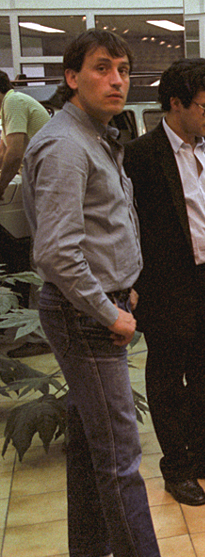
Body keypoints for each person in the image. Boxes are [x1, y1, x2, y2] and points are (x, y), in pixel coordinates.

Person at [21, 29, 161, 557]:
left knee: (90, 446)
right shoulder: (65, 144)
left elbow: (102, 227)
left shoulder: (96, 134)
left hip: (101, 306)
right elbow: (57, 253)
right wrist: (110, 310)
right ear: (71, 77)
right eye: (102, 68)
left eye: (123, 69)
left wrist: (125, 288)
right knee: (121, 459)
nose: (116, 80)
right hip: (88, 317)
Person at [123, 58, 205, 507]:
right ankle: (176, 467)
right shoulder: (140, 155)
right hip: (168, 285)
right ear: (176, 104)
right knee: (169, 380)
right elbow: (129, 227)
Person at [0, 70, 50, 196]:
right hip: (38, 177)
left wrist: (1, 186)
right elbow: (3, 152)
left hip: (47, 178)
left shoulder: (14, 101)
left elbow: (14, 154)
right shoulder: (6, 106)